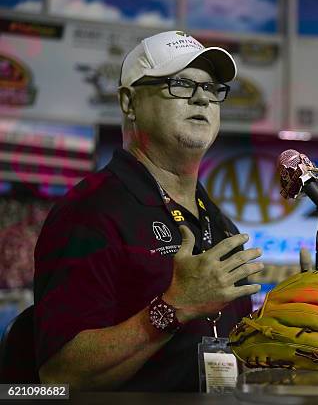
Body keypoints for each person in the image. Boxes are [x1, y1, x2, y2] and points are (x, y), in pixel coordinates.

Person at [33, 31, 267, 392]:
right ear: (129, 102)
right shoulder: (89, 212)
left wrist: (303, 311)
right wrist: (174, 308)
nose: (202, 98)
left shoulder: (218, 221)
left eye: (212, 89)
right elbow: (58, 377)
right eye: (181, 84)